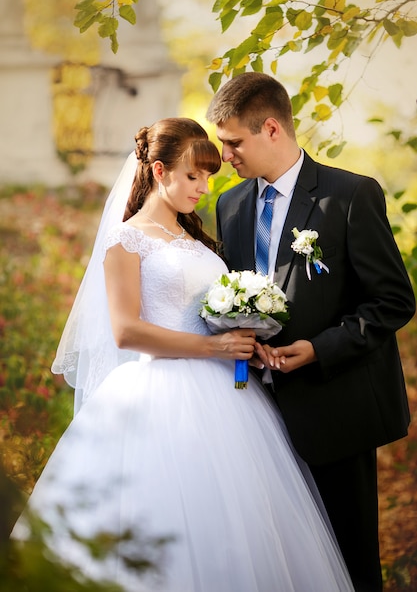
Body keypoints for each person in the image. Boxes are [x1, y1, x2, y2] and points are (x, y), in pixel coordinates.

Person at [12, 117, 355, 592]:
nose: (204, 187)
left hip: (228, 395)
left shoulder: (194, 238)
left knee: (240, 523)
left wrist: (245, 336)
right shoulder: (125, 240)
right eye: (193, 175)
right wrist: (212, 346)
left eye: (209, 176)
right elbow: (127, 331)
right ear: (159, 170)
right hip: (160, 394)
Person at [206, 73, 416, 592]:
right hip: (254, 417)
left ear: (271, 128)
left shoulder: (349, 195)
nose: (225, 154)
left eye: (233, 141)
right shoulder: (230, 207)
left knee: (350, 560)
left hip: (335, 407)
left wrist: (318, 350)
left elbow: (393, 300)